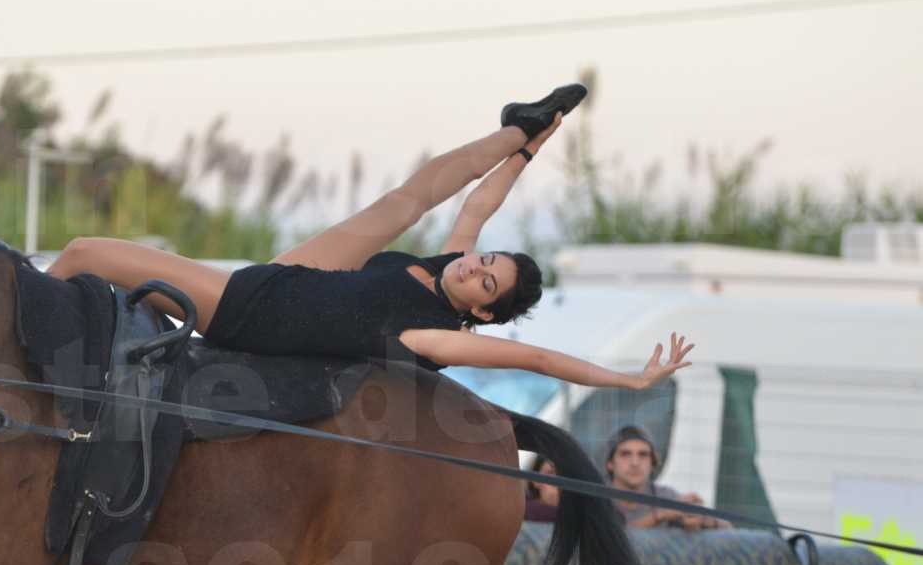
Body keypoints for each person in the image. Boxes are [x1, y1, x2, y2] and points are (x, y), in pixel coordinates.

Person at [48, 83, 695, 392]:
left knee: (81, 253)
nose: (475, 268)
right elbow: (475, 202)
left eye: (486, 282)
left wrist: (627, 380)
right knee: (405, 201)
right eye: (485, 261)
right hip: (289, 280)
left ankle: (19, 338)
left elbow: (536, 361)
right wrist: (525, 151)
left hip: (249, 312)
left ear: (481, 310)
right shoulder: (446, 263)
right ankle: (515, 126)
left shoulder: (432, 333)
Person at [604, 424, 731, 530]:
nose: (635, 463)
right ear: (610, 463)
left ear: (652, 464)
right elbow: (612, 539)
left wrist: (703, 520)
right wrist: (660, 515)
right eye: (625, 454)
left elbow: (727, 527)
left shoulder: (665, 496)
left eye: (643, 455)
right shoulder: (597, 499)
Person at [524, 454, 560, 522]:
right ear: (535, 480)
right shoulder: (521, 512)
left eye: (564, 474)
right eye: (551, 473)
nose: (558, 480)